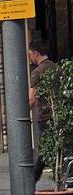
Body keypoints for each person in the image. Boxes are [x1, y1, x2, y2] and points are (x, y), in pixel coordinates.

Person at [28, 39, 57, 182]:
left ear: (36, 53)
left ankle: (33, 177)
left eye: (30, 54)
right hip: (58, 114)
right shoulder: (57, 68)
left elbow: (31, 100)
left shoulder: (37, 72)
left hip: (44, 116)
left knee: (45, 149)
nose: (30, 57)